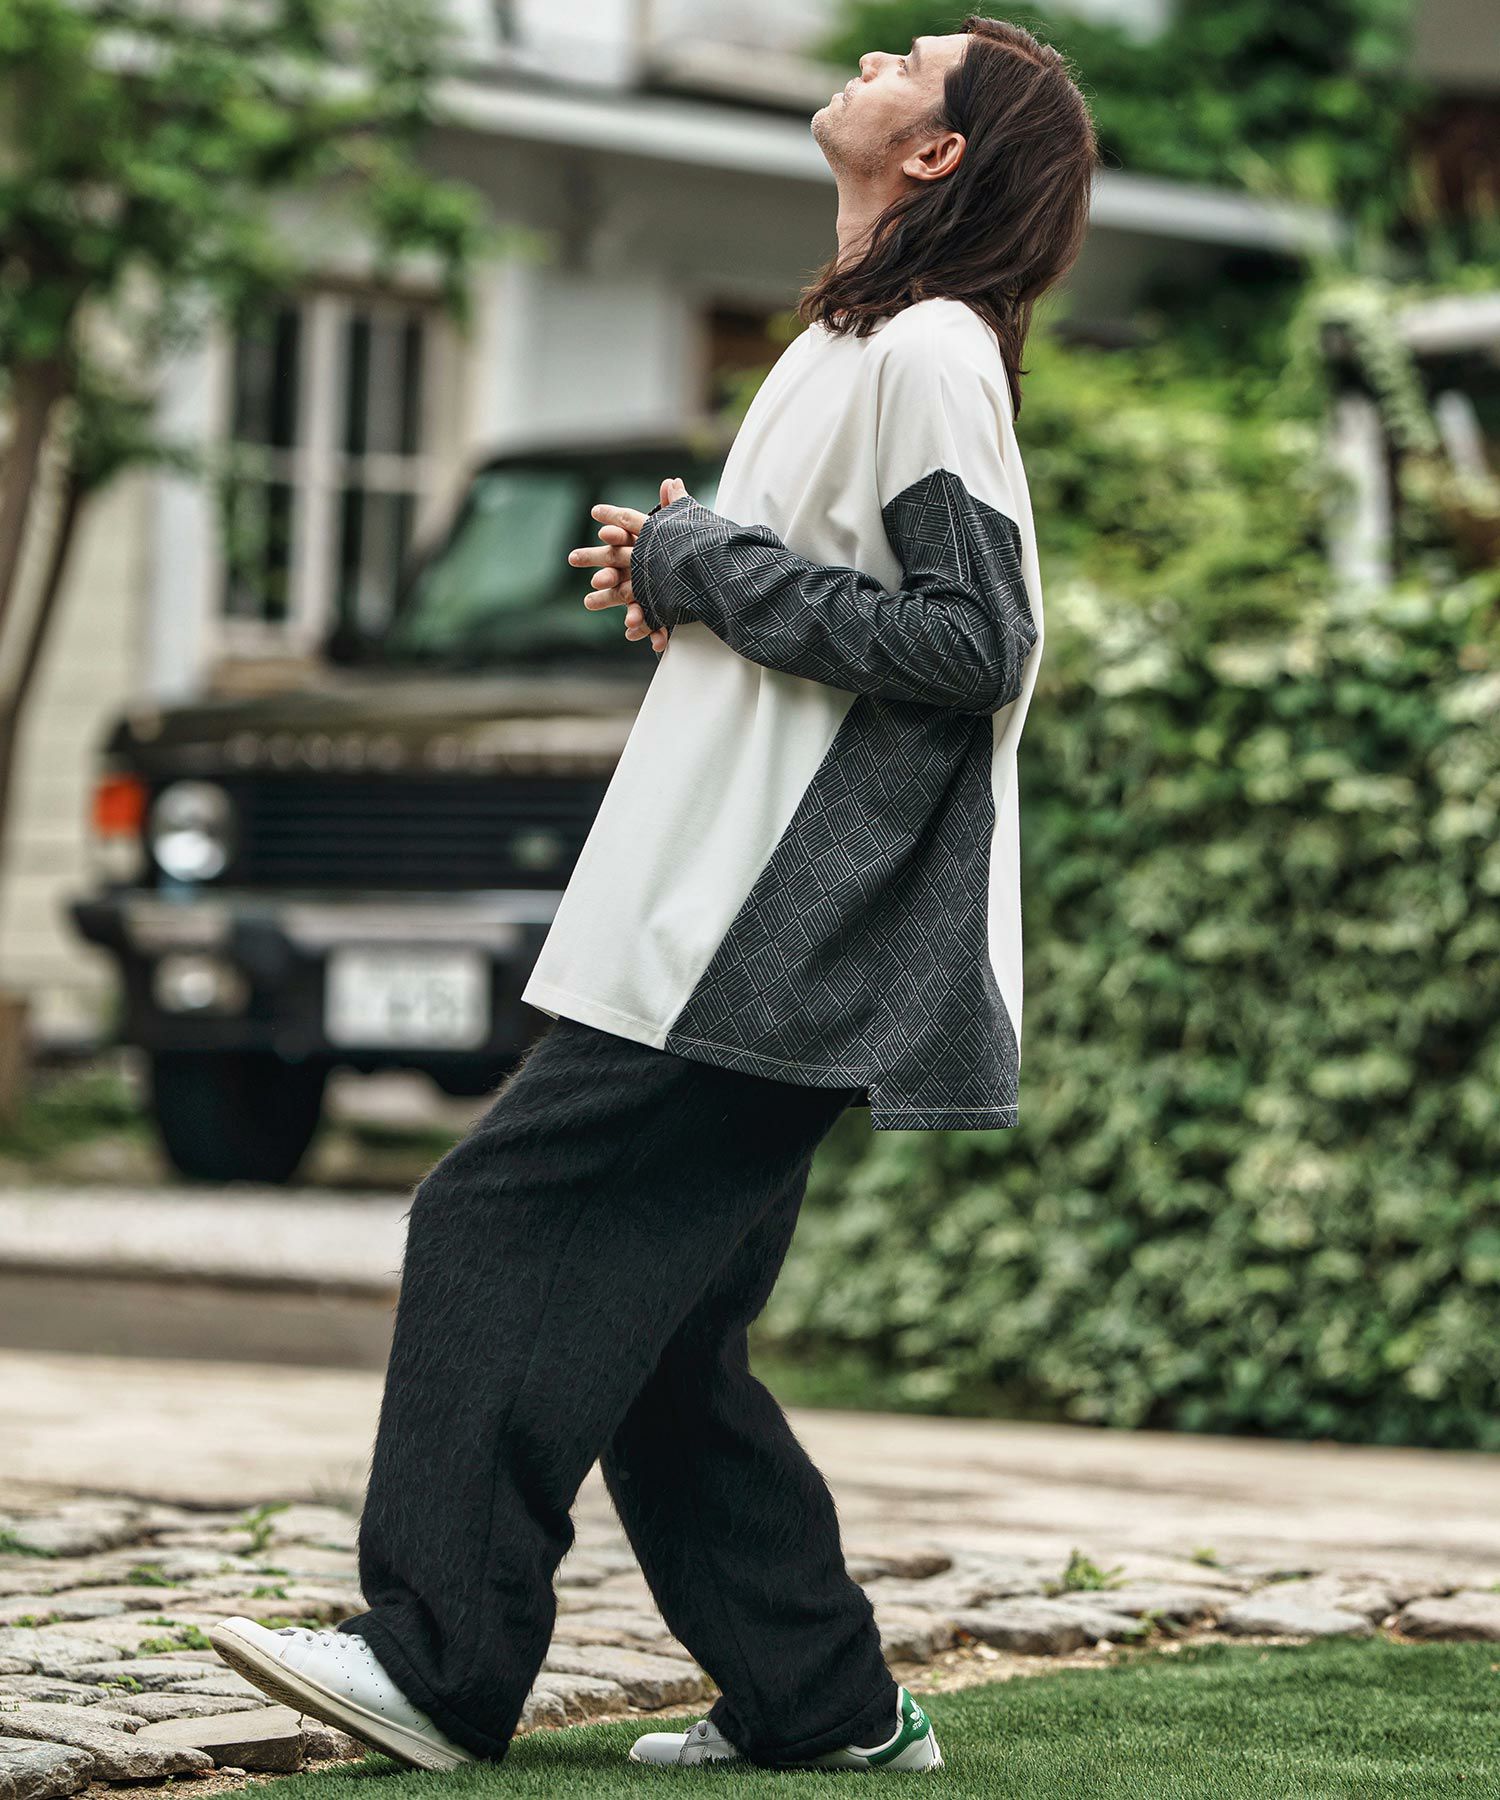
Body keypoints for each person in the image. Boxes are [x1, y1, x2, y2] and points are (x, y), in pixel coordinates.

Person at [208, 14, 1098, 1777]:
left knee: (494, 1223)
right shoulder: (853, 340)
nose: (874, 53)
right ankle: (827, 1711)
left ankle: (435, 1664)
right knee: (669, 1341)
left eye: (914, 59)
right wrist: (697, 572)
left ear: (938, 155)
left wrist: (715, 567)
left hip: (773, 929)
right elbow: (822, 605)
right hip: (725, 910)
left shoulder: (930, 347)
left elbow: (976, 642)